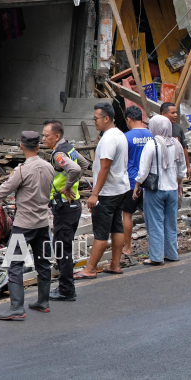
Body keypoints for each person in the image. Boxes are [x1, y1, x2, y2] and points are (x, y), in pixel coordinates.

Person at [0, 131, 54, 321]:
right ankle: (43, 302)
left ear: (21, 147)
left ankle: (17, 308)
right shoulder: (49, 167)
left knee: (15, 263)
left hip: (24, 226)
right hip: (43, 223)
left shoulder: (22, 171)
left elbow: (1, 192)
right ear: (39, 147)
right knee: (43, 262)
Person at [75, 102, 129, 279]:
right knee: (117, 227)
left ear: (106, 118)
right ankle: (115, 264)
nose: (94, 122)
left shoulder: (108, 139)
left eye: (96, 118)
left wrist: (95, 193)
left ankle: (90, 269)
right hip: (121, 188)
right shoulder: (120, 134)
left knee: (101, 231)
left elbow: (105, 167)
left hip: (108, 192)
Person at [41, 119, 88, 302]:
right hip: (74, 206)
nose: (43, 139)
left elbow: (75, 168)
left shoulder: (58, 154)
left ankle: (66, 290)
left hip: (65, 207)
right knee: (60, 246)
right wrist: (73, 183)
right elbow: (84, 164)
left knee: (62, 250)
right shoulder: (69, 148)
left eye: (46, 136)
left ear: (57, 136)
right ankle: (64, 286)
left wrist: (68, 186)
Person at [134, 115, 187, 265]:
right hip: (172, 190)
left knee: (155, 224)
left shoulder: (151, 144)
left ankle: (156, 257)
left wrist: (137, 186)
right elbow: (181, 170)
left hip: (155, 190)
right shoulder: (176, 144)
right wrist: (178, 186)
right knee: (171, 224)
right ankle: (171, 254)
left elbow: (143, 171)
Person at [123, 105, 152, 258]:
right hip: (148, 181)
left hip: (131, 181)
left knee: (127, 214)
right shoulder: (151, 135)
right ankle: (154, 245)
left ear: (128, 119)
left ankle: (127, 248)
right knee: (147, 212)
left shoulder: (126, 137)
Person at [160, 102, 191, 182]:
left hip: (176, 169)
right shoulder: (156, 129)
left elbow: (184, 148)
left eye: (176, 113)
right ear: (163, 114)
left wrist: (188, 167)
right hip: (161, 169)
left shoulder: (178, 129)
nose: (176, 115)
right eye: (173, 113)